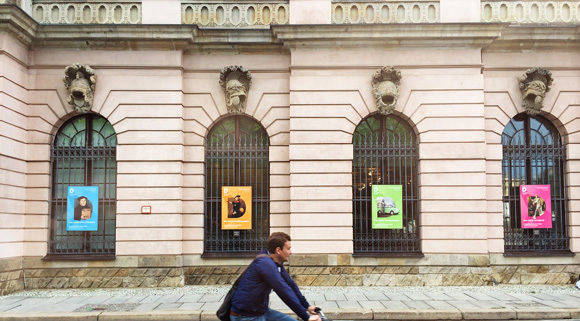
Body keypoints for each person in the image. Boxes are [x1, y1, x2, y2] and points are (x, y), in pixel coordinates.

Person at [230, 232, 321, 321]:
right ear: (278, 250)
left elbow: (290, 284)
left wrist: (307, 306)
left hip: (261, 312)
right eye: (288, 249)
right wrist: (306, 317)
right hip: (245, 316)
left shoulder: (274, 261)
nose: (290, 252)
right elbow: (283, 290)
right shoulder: (265, 264)